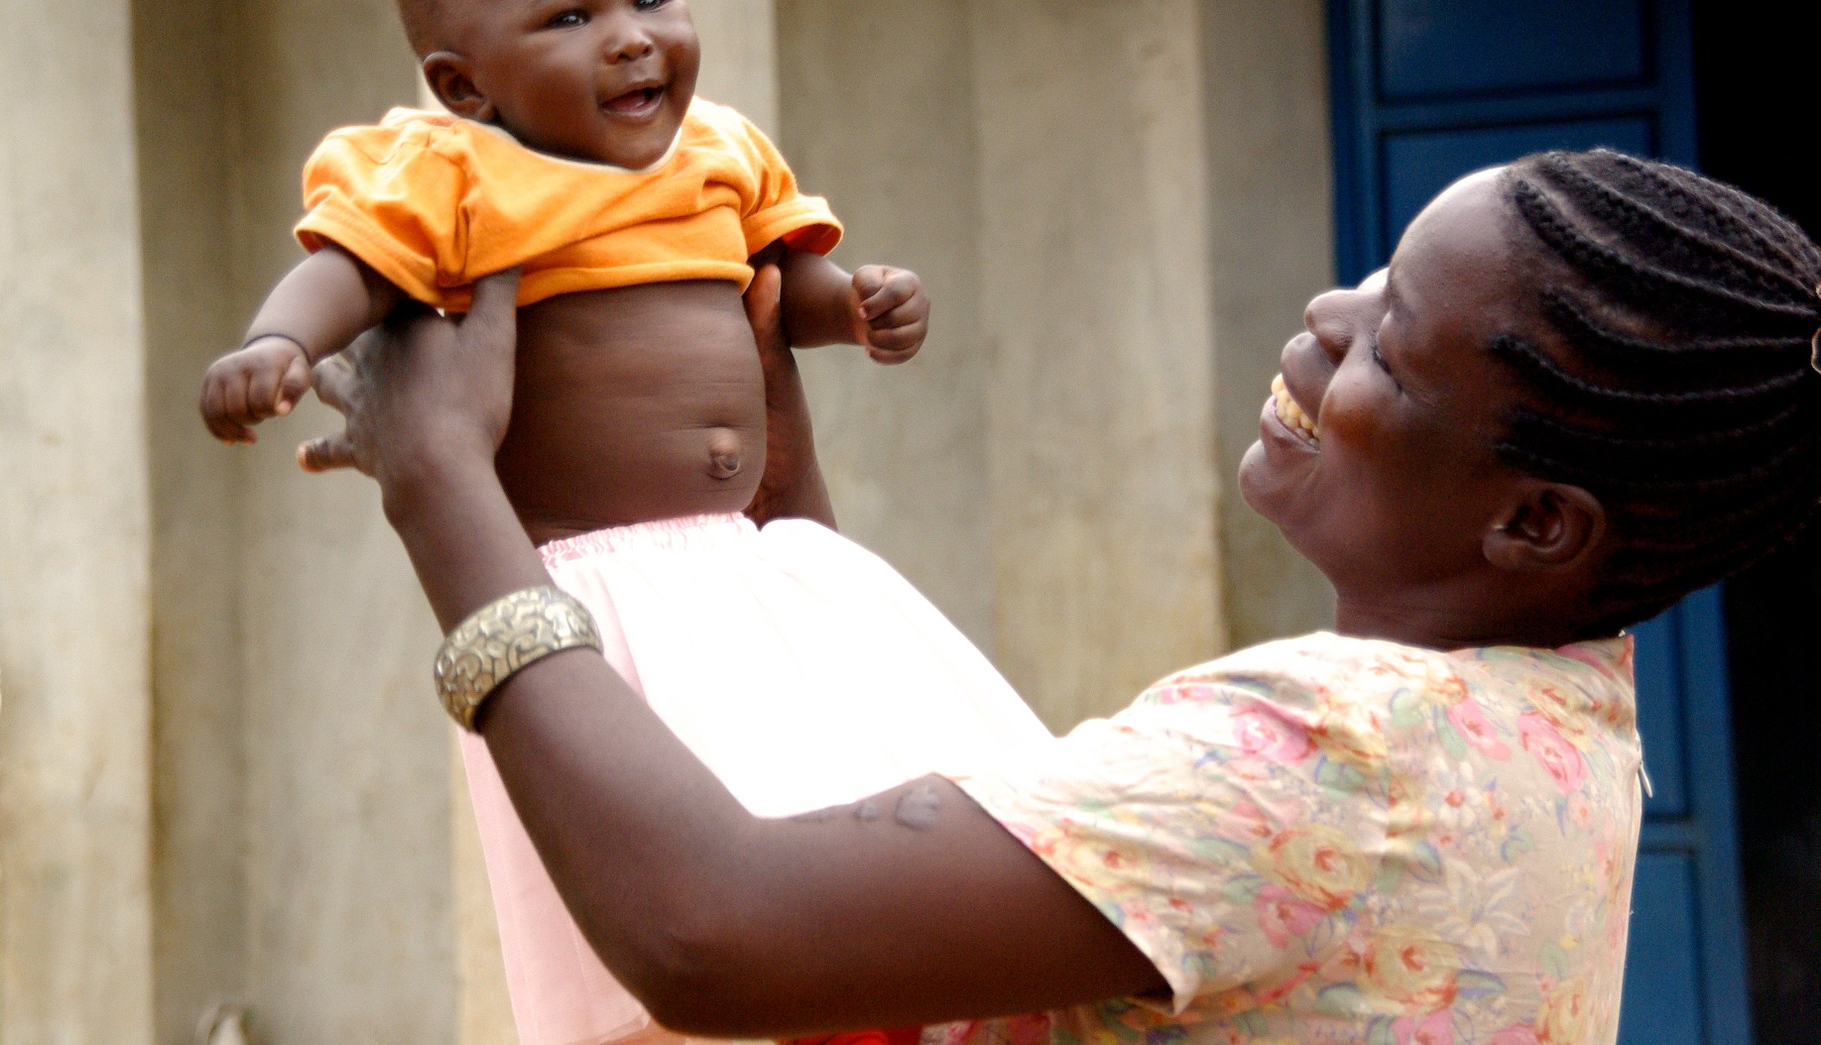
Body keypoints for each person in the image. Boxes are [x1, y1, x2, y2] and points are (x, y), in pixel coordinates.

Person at [302, 149, 1821, 1044]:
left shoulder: (1326, 755)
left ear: (1537, 521)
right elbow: (876, 844)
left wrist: (441, 480)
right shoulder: (1559, 724)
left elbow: (717, 928)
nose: (1322, 317)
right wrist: (768, 475)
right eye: (1370, 274)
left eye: (1388, 343)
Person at [197, 0, 1048, 1045]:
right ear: (463, 82)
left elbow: (777, 285)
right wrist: (276, 344)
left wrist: (854, 302)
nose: (632, 39)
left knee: (879, 784)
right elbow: (342, 265)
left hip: (759, 558)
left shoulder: (721, 150)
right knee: (703, 817)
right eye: (569, 17)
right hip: (597, 581)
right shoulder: (451, 173)